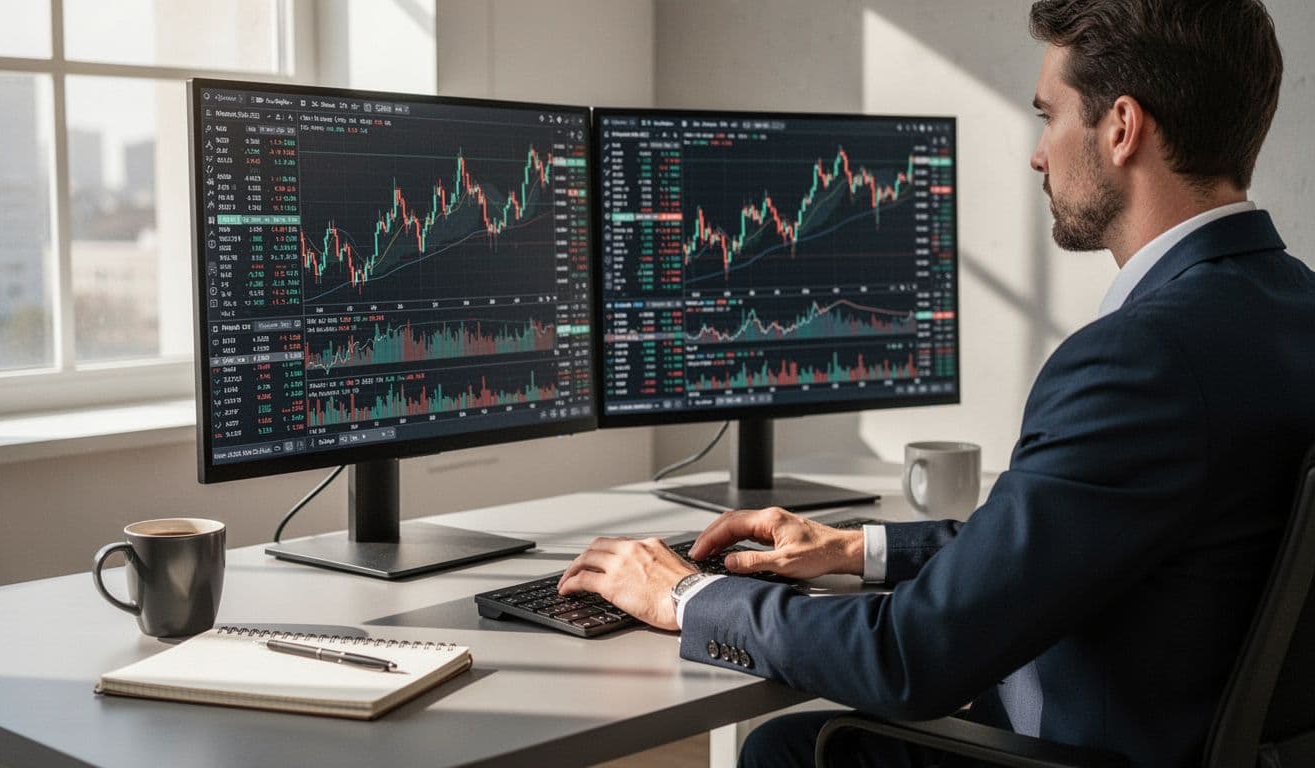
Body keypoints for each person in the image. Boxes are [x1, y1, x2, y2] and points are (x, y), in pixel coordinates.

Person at [558, 0, 1315, 765]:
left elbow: (911, 658)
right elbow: (1078, 536)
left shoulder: (1138, 359)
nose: (1038, 154)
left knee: (792, 749)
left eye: (1048, 115)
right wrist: (862, 548)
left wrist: (687, 595)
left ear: (1121, 127)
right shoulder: (1292, 310)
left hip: (1096, 748)